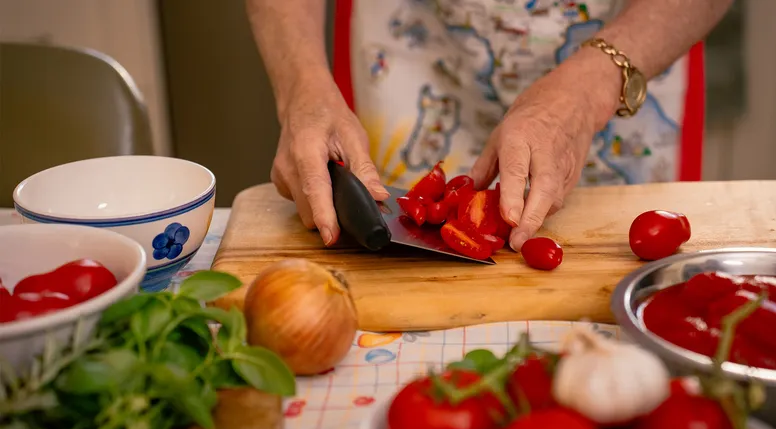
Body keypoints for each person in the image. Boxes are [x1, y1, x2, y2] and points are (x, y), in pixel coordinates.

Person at [246, 0, 733, 251]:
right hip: (415, 50)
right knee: (389, 217)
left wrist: (589, 92)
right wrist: (300, 89)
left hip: (618, 54)